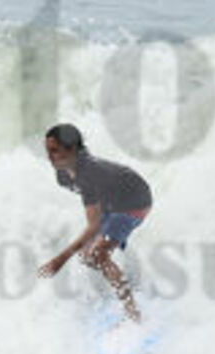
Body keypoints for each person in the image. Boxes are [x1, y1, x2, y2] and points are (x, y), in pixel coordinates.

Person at [39, 123, 152, 323]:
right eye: (48, 151)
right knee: (87, 256)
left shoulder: (90, 172)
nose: (50, 157)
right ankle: (127, 284)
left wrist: (60, 260)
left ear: (72, 148)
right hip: (111, 203)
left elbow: (94, 225)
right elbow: (94, 214)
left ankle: (134, 315)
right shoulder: (63, 175)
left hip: (134, 202)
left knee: (99, 254)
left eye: (55, 150)